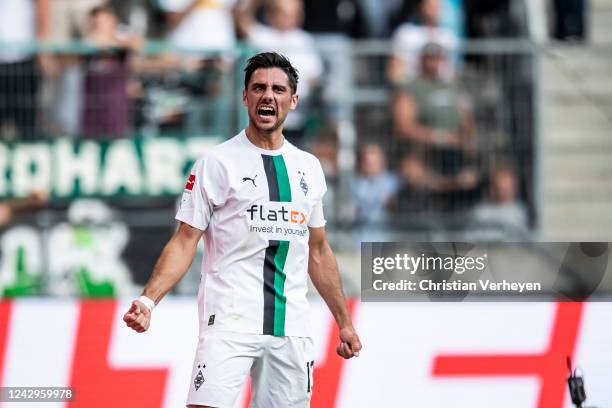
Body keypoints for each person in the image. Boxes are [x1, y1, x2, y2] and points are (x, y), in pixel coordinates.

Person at [123, 52, 361, 408]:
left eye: (279, 89)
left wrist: (343, 322)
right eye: (259, 87)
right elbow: (185, 241)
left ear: (293, 100)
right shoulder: (216, 163)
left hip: (291, 327)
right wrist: (148, 300)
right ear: (244, 96)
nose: (269, 95)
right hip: (229, 322)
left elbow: (318, 250)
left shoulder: (309, 168)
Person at [239, 0, 324, 147]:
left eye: (294, 13)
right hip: (264, 117)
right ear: (271, 15)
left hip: (297, 118)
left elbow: (314, 77)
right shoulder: (261, 36)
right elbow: (241, 17)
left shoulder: (305, 40)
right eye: (284, 13)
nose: (290, 18)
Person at [388, 0, 459, 84]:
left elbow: (453, 71)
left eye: (437, 4)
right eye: (430, 4)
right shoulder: (405, 33)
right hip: (412, 89)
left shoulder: (449, 35)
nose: (434, 8)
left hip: (440, 89)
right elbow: (394, 73)